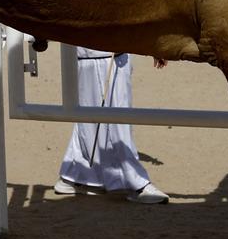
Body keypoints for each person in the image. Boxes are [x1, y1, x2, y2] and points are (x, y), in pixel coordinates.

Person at [53, 47, 169, 204]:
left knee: (91, 118)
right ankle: (135, 184)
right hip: (102, 53)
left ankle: (74, 176)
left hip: (100, 53)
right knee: (116, 121)